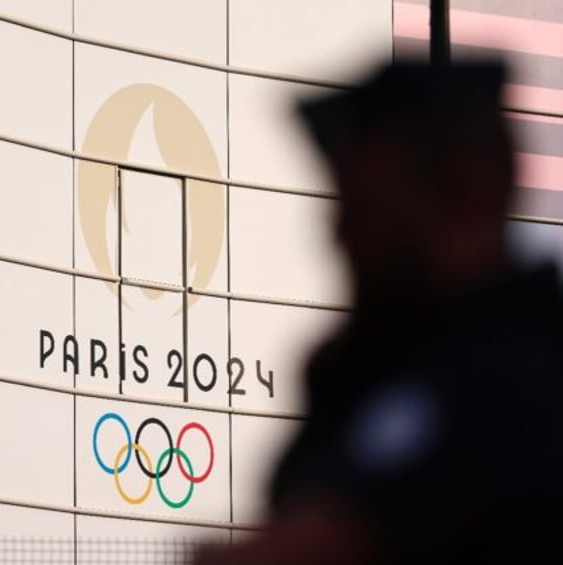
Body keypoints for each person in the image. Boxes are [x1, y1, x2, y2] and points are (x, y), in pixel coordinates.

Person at [196, 61, 563, 564]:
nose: (338, 233)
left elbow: (329, 543)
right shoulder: (376, 372)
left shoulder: (511, 382)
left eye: (364, 206)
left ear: (462, 195)